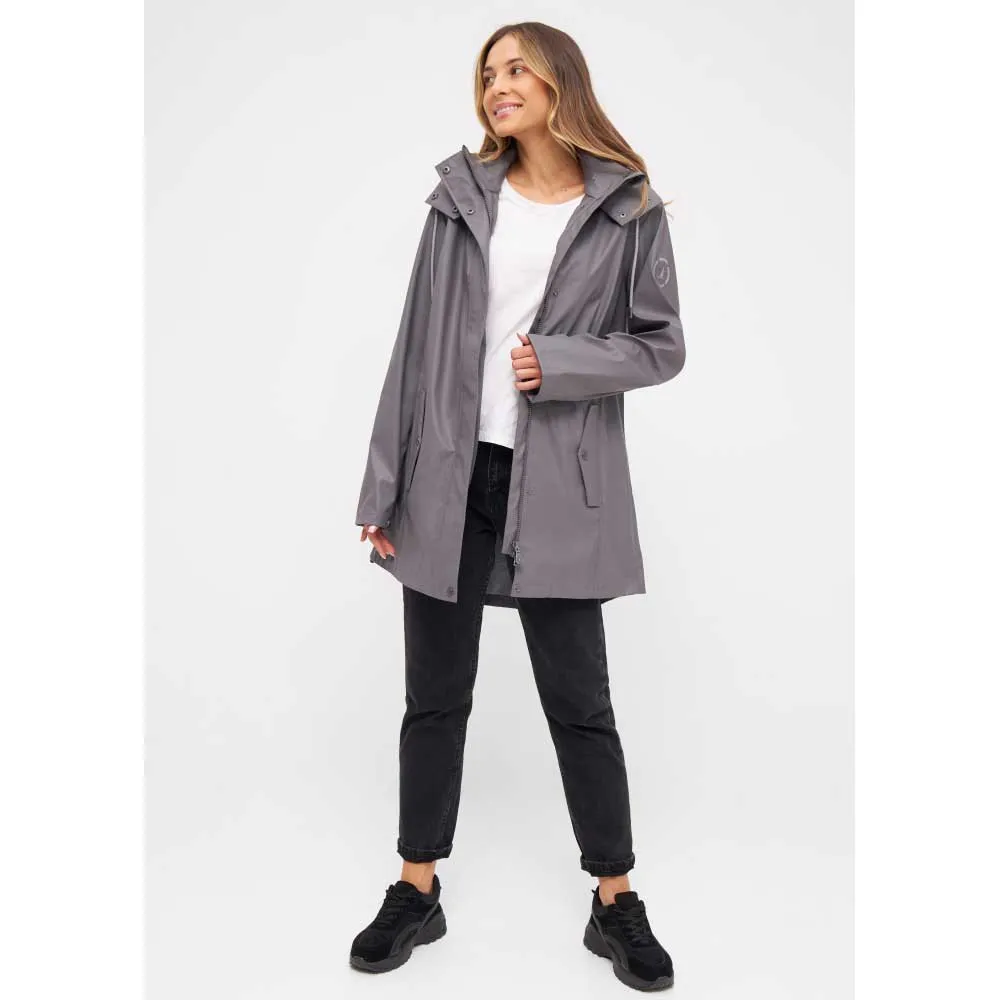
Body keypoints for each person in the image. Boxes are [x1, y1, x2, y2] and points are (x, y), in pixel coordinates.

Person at [350, 21, 685, 992]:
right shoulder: (459, 201)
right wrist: (384, 488)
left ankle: (614, 900)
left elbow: (662, 344)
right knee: (434, 696)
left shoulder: (627, 208)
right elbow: (414, 347)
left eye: (515, 69)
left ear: (557, 82)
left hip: (560, 485)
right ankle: (417, 888)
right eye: (487, 72)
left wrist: (564, 363)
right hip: (448, 480)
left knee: (580, 703)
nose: (497, 85)